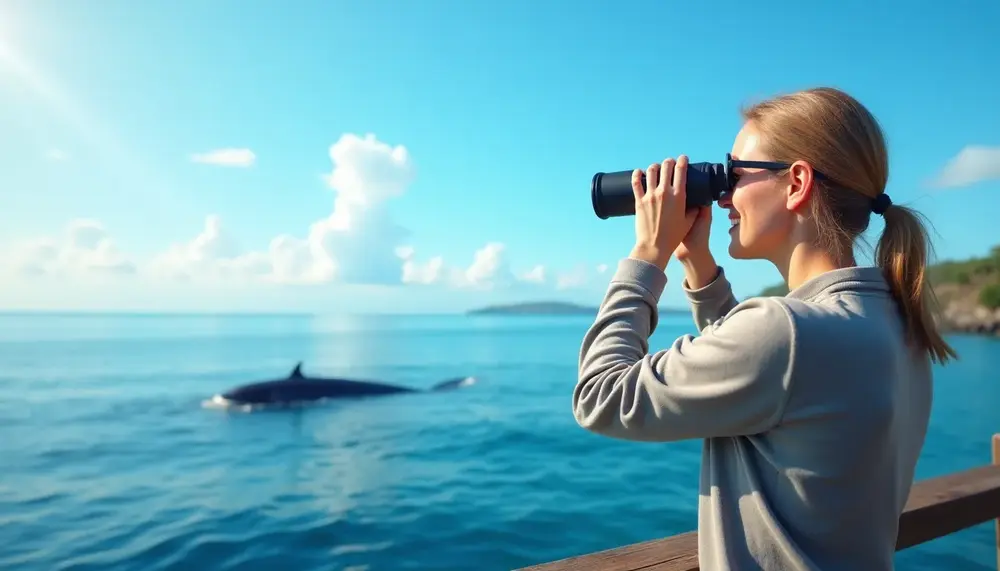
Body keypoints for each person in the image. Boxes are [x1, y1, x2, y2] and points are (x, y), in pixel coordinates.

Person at [573, 86, 958, 571]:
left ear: (797, 183)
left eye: (735, 174)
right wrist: (701, 270)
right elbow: (774, 380)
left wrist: (649, 254)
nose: (725, 195)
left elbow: (602, 397)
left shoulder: (788, 332)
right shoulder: (894, 323)